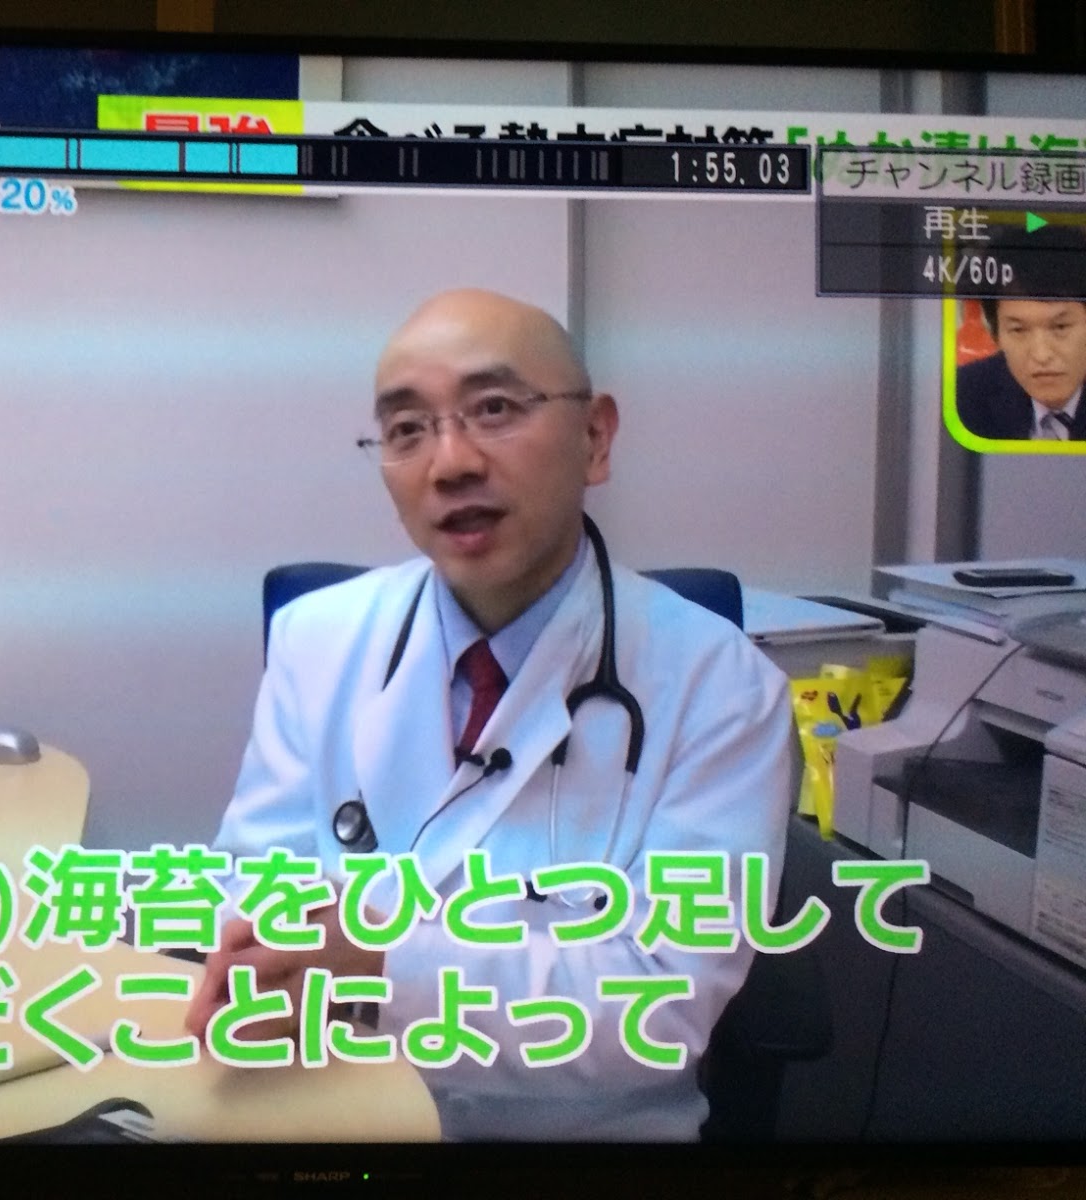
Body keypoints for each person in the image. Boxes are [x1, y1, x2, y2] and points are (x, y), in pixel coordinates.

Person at [185, 288, 794, 1141]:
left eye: (496, 409)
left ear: (596, 438)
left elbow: (659, 1007)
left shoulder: (722, 686)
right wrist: (259, 956)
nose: (450, 463)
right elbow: (253, 887)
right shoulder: (315, 638)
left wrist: (379, 963)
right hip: (329, 1115)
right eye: (406, 429)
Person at [956, 227, 1086, 442]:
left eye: (1060, 327)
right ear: (996, 334)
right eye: (1018, 330)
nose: (1041, 355)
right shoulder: (963, 395)